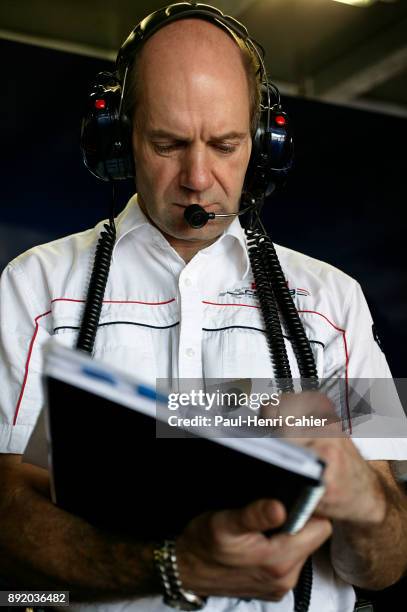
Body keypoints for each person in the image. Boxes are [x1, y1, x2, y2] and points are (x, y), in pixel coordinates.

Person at [0, 3, 406, 612]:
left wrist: (368, 506)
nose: (197, 177)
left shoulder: (336, 301)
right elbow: (6, 513)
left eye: (225, 144)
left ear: (264, 144)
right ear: (119, 137)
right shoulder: (35, 288)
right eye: (167, 143)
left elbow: (389, 558)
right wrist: (175, 567)